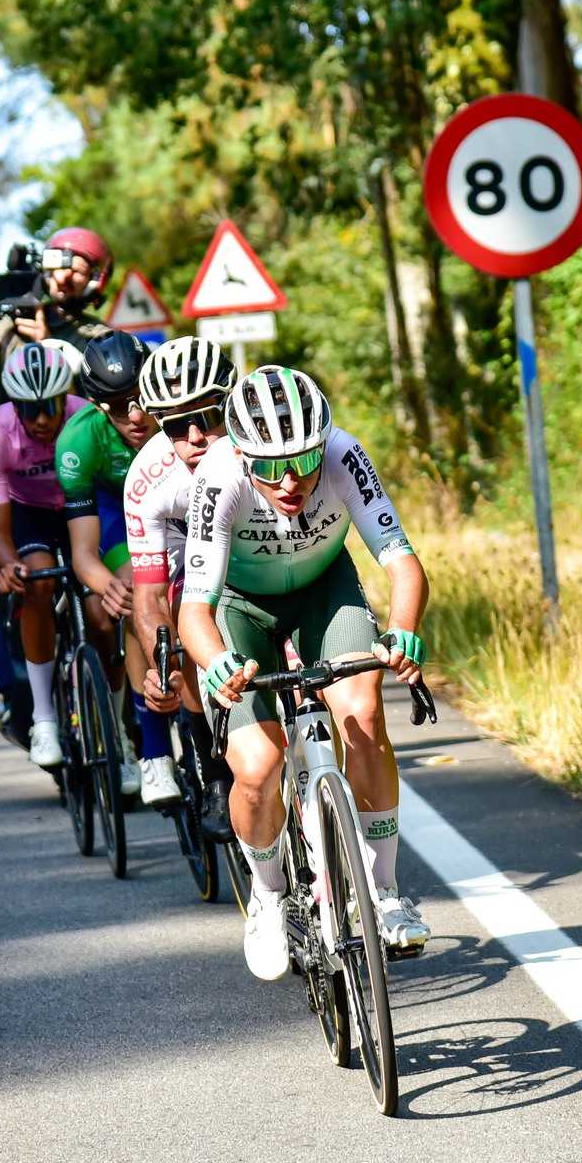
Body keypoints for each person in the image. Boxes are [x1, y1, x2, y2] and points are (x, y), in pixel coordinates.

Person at [177, 367, 432, 981]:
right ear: (241, 454)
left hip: (325, 590)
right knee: (259, 766)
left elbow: (403, 564)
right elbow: (193, 610)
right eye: (268, 467)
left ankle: (387, 893)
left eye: (304, 460)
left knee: (364, 717)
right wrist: (217, 666)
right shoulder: (217, 478)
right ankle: (267, 898)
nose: (289, 480)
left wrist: (401, 632)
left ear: (324, 443)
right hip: (241, 608)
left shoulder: (345, 454)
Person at [122, 336, 240, 822]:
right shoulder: (148, 479)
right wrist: (165, 667)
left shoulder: (261, 449)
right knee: (175, 631)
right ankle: (210, 764)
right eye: (175, 425)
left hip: (249, 552)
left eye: (209, 417)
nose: (195, 436)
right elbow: (148, 598)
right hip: (182, 562)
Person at [57, 330, 162, 801]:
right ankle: (148, 747)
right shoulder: (78, 442)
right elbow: (82, 551)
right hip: (116, 508)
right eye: (119, 406)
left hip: (172, 497)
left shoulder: (178, 410)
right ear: (98, 406)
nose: (136, 416)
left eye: (141, 399)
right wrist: (104, 584)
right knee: (138, 591)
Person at [0, 339, 88, 768]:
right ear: (13, 405)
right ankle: (43, 719)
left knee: (100, 608)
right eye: (29, 409)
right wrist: (11, 564)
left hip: (80, 505)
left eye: (50, 407)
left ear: (65, 398)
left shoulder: (85, 418)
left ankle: (120, 735)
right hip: (27, 513)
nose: (41, 420)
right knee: (38, 584)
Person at [0, 228, 116, 418]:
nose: (63, 277)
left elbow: (100, 413)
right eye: (60, 265)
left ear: (96, 280)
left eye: (77, 271)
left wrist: (48, 348)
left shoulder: (99, 339)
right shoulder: (10, 327)